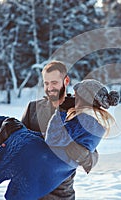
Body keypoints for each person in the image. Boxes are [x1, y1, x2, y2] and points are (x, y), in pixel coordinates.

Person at [0, 79, 119, 199]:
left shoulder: (85, 120)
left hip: (55, 187)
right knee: (9, 125)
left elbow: (57, 140)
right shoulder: (88, 120)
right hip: (44, 174)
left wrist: (62, 111)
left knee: (10, 126)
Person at [21, 61, 98, 199]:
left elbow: (92, 156)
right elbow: (18, 141)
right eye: (46, 83)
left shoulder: (78, 113)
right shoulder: (32, 108)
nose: (50, 88)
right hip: (29, 190)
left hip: (61, 194)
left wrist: (80, 153)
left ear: (66, 81)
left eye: (54, 83)